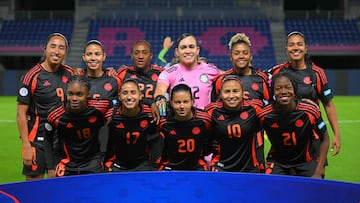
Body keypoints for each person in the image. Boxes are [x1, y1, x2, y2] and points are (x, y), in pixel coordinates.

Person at [267, 31, 340, 157]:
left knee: (315, 174)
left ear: (305, 49)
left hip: (312, 138)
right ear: (286, 49)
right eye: (291, 45)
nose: (295, 48)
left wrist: (337, 134)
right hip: (285, 137)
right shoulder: (276, 72)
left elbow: (328, 105)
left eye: (299, 44)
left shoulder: (317, 73)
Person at [16, 33, 74, 180]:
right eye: (53, 46)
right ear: (45, 49)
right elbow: (21, 114)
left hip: (62, 143)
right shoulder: (32, 76)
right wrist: (27, 146)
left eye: (61, 48)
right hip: (38, 142)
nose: (57, 51)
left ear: (65, 52)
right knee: (34, 190)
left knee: (60, 191)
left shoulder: (70, 74)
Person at [211, 33, 270, 171]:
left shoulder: (262, 78)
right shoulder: (222, 80)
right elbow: (215, 109)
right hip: (227, 138)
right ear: (231, 57)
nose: (241, 56)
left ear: (251, 56)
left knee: (255, 176)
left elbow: (270, 107)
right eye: (237, 53)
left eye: (245, 53)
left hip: (254, 140)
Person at [258, 72, 330, 178]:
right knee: (269, 188)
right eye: (278, 88)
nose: (283, 91)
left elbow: (325, 139)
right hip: (278, 162)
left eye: (288, 87)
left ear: (294, 90)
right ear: (273, 92)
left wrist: (318, 171)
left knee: (313, 190)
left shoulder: (309, 111)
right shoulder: (264, 115)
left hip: (305, 162)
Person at [44, 75, 111, 177]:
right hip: (66, 164)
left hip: (92, 163)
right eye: (71, 94)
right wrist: (50, 168)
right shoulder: (55, 115)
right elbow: (48, 140)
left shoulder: (99, 107)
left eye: (79, 94)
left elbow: (115, 103)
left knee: (94, 192)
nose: (74, 98)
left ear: (88, 94)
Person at [205, 75, 262, 172]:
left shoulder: (255, 108)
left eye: (235, 91)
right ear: (220, 94)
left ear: (243, 93)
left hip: (249, 167)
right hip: (221, 166)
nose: (231, 96)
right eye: (227, 92)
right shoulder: (211, 111)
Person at [105, 79, 162, 172]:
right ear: (119, 96)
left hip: (142, 164)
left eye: (133, 92)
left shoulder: (151, 114)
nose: (129, 97)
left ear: (140, 96)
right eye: (125, 93)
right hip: (117, 164)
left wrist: (151, 102)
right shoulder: (110, 116)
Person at [154, 33, 221, 111]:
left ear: (197, 50)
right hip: (178, 121)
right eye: (183, 47)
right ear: (177, 52)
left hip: (204, 121)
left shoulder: (210, 70)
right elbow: (159, 92)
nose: (188, 51)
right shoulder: (169, 73)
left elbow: (229, 76)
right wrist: (161, 110)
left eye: (191, 47)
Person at [158, 84, 212, 171]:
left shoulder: (205, 120)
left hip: (197, 167)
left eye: (185, 102)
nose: (182, 106)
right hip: (170, 166)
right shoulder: (163, 123)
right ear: (171, 103)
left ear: (192, 101)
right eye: (177, 102)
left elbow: (211, 142)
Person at [82, 39, 121, 157]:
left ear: (104, 56)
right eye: (89, 54)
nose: (93, 58)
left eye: (97, 54)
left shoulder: (115, 81)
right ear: (84, 57)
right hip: (81, 142)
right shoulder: (77, 80)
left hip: (107, 142)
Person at [117, 40, 164, 109]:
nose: (140, 56)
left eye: (145, 53)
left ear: (151, 55)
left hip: (156, 116)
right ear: (132, 56)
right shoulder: (123, 74)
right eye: (136, 53)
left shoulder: (161, 74)